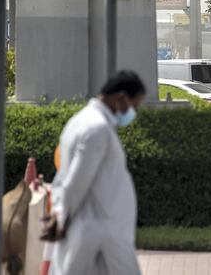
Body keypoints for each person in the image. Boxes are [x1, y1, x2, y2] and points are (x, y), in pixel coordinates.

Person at [42, 71, 146, 275]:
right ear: (121, 98)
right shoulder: (97, 129)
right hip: (99, 229)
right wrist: (62, 215)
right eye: (133, 106)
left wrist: (59, 210)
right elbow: (76, 179)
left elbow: (65, 177)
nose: (132, 112)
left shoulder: (80, 122)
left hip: (96, 230)